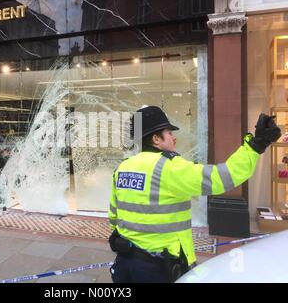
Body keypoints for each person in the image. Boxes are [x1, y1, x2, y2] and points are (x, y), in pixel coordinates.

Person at [108, 106, 281, 283]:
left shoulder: (123, 167)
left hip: (125, 264)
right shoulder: (169, 167)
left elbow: (114, 215)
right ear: (155, 139)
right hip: (158, 269)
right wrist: (255, 145)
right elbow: (223, 177)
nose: (173, 138)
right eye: (168, 133)